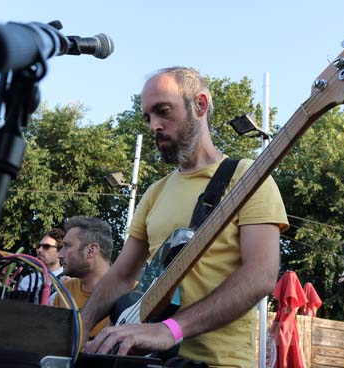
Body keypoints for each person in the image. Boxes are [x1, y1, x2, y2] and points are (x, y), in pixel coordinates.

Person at [81, 67, 289, 367]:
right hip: (149, 361)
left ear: (200, 105)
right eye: (148, 117)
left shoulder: (249, 178)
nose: (154, 126)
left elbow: (261, 274)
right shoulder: (155, 192)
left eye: (163, 111)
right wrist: (78, 328)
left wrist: (170, 330)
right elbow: (122, 275)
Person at [53, 216, 114, 339]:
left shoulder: (130, 293)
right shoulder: (66, 290)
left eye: (67, 246)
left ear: (91, 250)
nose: (59, 254)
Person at [18, 228, 65, 303]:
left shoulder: (69, 283)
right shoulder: (28, 280)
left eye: (46, 247)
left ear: (61, 252)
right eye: (39, 246)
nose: (39, 250)